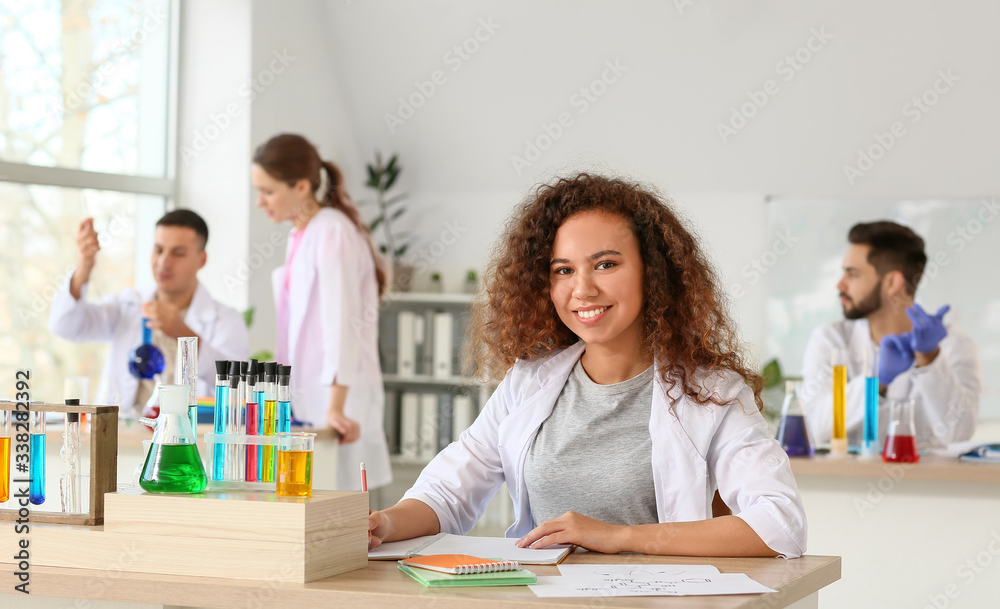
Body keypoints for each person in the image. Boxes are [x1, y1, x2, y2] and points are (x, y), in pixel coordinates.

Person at [366, 173, 806, 558]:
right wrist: (385, 524)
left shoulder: (712, 392)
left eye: (606, 264)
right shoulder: (530, 381)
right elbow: (447, 493)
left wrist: (618, 537)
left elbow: (780, 523)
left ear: (652, 272)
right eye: (563, 271)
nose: (583, 289)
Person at [251, 133, 392, 492]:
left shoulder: (332, 232)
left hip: (335, 402)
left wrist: (336, 408)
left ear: (300, 186)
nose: (259, 202)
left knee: (342, 519)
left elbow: (340, 323)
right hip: (306, 399)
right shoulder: (300, 235)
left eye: (267, 191)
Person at [800, 221, 981, 451]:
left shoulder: (955, 345)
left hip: (927, 486)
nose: (840, 284)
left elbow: (958, 435)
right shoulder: (830, 339)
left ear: (892, 282)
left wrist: (930, 359)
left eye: (852, 274)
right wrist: (876, 380)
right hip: (844, 485)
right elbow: (813, 428)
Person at [49, 209, 249, 411]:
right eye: (158, 250)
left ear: (202, 260)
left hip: (184, 437)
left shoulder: (225, 319)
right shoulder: (129, 304)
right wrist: (84, 267)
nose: (163, 263)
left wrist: (183, 332)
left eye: (178, 253)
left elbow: (237, 385)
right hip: (124, 434)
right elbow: (63, 325)